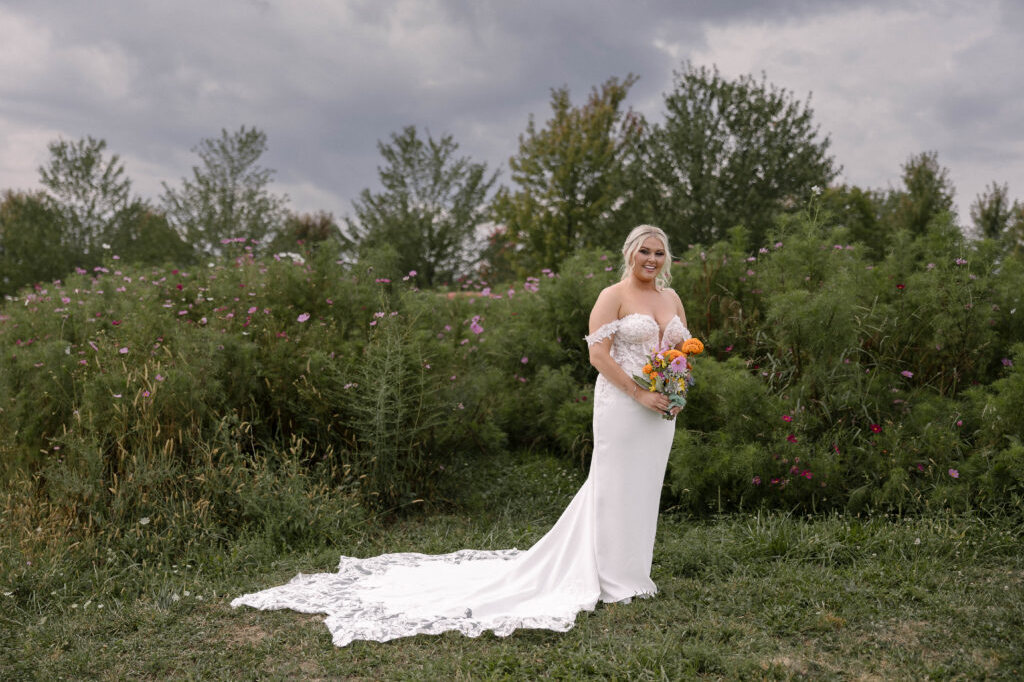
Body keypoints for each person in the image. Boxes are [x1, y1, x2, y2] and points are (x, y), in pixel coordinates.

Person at [231, 225, 692, 647]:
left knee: (644, 487)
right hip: (622, 402)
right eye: (644, 251)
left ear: (665, 258)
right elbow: (597, 355)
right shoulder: (611, 295)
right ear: (630, 254)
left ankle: (634, 573)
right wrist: (637, 392)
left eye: (659, 252)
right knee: (612, 485)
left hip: (660, 408)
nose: (651, 259)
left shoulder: (671, 299)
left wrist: (673, 390)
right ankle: (612, 579)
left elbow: (679, 351)